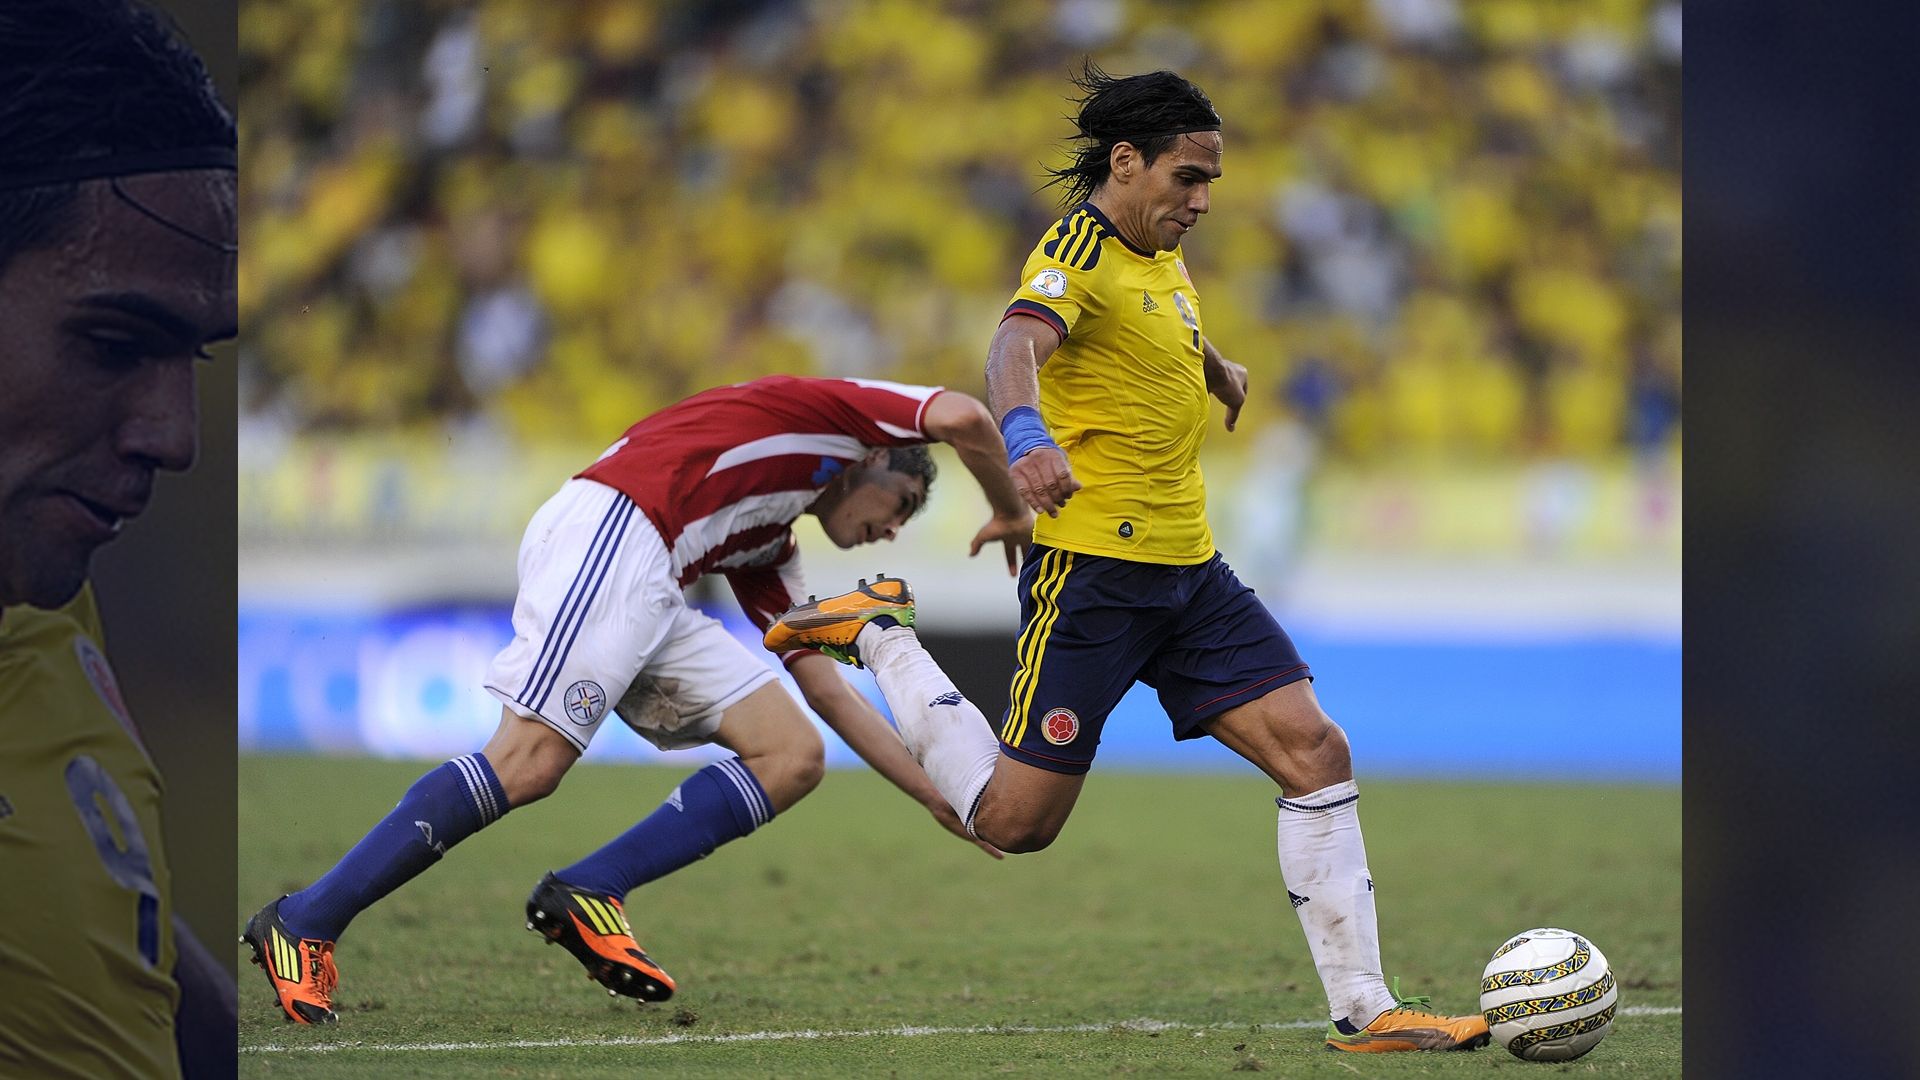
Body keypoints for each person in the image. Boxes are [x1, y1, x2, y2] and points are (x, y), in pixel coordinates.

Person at [766, 64, 1489, 1054]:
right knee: (1015, 825)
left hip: (1193, 573)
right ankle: (878, 634)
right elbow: (1014, 344)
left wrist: (1213, 367)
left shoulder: (1161, 254)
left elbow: (1148, 331)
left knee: (1316, 751)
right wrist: (1025, 435)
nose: (1203, 201)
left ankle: (1367, 1009)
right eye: (1189, 178)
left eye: (1211, 182)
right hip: (1095, 578)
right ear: (1125, 162)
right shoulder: (1077, 247)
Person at [242, 374, 1032, 1023]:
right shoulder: (838, 419)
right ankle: (305, 920)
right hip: (618, 529)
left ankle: (590, 890)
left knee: (791, 753)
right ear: (875, 460)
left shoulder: (769, 538)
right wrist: (1010, 508)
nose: (893, 530)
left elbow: (824, 690)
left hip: (654, 575)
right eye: (902, 505)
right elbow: (965, 417)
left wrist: (934, 792)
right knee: (528, 760)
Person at [0, 1, 239, 1077]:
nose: (173, 436)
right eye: (111, 344)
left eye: (192, 356)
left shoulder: (37, 592)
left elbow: (99, 941)